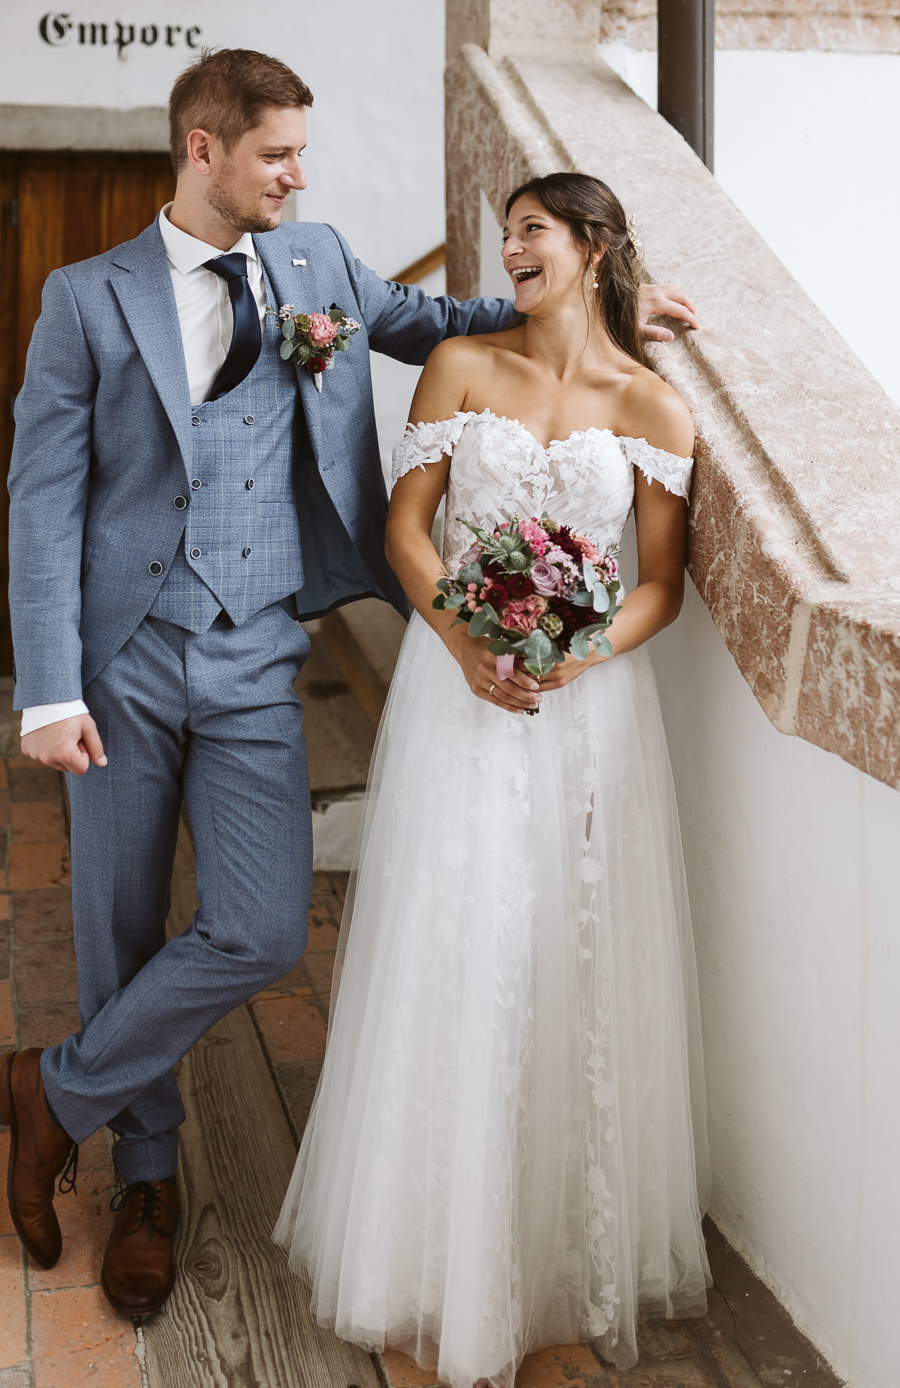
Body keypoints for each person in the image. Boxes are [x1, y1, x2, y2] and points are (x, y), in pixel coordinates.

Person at [0, 48, 695, 1318]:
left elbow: (440, 325)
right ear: (202, 150)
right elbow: (41, 503)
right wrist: (50, 690)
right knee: (119, 921)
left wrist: (612, 310)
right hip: (123, 660)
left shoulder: (314, 263)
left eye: (300, 153)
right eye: (276, 154)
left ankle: (52, 1088)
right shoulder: (85, 299)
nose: (298, 174)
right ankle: (145, 1183)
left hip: (261, 648)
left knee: (259, 929)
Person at [275, 172, 711, 1385]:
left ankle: (549, 1273)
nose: (508, 248)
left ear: (592, 247)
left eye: (532, 230)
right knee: (454, 941)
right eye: (503, 230)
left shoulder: (656, 409)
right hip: (454, 688)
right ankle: (426, 1272)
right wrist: (464, 638)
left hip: (584, 712)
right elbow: (408, 529)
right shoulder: (462, 366)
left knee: (567, 957)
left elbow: (658, 585)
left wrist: (574, 652)